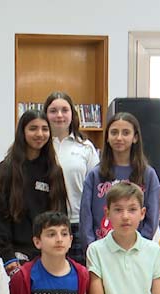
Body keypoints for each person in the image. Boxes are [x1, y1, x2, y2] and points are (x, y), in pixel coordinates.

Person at [0, 109, 69, 274]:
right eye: (33, 128)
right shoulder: (7, 169)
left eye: (44, 129)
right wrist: (8, 256)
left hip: (48, 253)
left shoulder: (54, 171)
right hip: (17, 256)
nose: (39, 134)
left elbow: (61, 215)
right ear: (22, 132)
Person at [80, 112, 160, 251]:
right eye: (114, 132)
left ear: (135, 137)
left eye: (125, 133)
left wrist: (139, 247)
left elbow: (152, 217)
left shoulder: (148, 174)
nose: (119, 138)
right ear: (107, 137)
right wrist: (92, 249)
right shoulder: (95, 174)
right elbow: (86, 217)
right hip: (102, 251)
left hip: (135, 250)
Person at [44, 91, 99, 263]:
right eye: (53, 110)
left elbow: (96, 188)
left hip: (77, 223)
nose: (59, 115)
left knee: (79, 278)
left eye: (64, 110)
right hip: (45, 222)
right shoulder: (38, 145)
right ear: (45, 114)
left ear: (72, 114)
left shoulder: (85, 147)